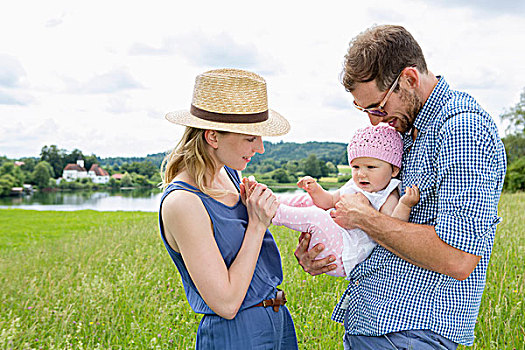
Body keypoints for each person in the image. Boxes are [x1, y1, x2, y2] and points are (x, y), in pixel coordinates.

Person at [294, 25, 506, 349]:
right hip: (380, 327)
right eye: (364, 111)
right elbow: (385, 221)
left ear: (409, 79)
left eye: (378, 107)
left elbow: (459, 257)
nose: (374, 122)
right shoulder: (407, 128)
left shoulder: (462, 129)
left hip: (411, 334)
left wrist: (363, 218)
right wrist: (329, 250)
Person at [158, 68, 298, 349]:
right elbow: (227, 303)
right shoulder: (183, 202)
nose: (260, 148)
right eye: (250, 138)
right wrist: (258, 225)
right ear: (212, 137)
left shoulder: (231, 176)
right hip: (237, 337)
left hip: (277, 322)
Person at [272, 125, 419, 277]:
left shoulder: (387, 194)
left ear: (394, 170)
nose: (361, 174)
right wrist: (315, 190)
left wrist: (405, 204)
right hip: (334, 238)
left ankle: (271, 211)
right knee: (306, 200)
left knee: (316, 216)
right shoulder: (355, 185)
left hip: (345, 253)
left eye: (370, 167)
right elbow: (329, 201)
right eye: (355, 167)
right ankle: (272, 199)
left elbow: (394, 226)